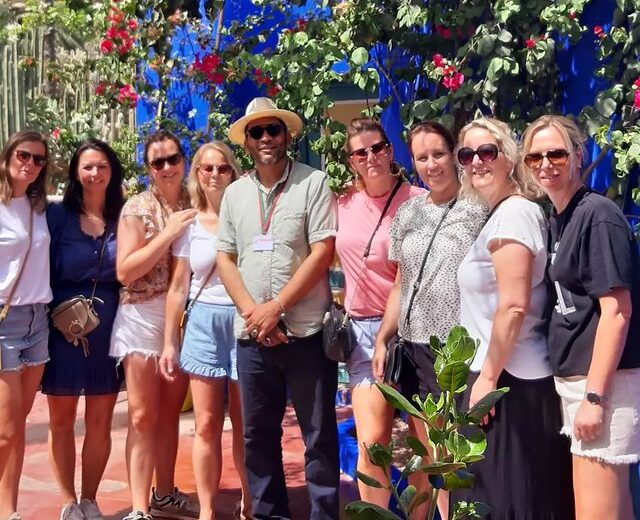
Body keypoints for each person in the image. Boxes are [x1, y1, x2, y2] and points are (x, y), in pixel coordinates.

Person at [217, 97, 340, 520]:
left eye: (273, 130)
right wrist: (256, 313)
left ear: (287, 135)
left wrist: (277, 307)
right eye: (257, 132)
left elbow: (323, 250)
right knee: (257, 437)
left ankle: (323, 513)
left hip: (304, 331)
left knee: (319, 435)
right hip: (253, 335)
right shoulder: (233, 194)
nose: (266, 138)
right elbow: (225, 258)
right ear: (247, 143)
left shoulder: (313, 183)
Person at [453, 117, 574, 519]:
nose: (476, 162)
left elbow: (514, 305)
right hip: (500, 375)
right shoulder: (500, 214)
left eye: (487, 152)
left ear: (508, 158)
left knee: (510, 502)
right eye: (466, 154)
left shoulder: (514, 214)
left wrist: (486, 379)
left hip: (508, 382)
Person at [522, 115, 640, 520]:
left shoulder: (598, 216)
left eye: (556, 153)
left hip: (602, 386)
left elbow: (617, 313)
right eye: (534, 156)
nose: (545, 164)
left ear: (578, 154)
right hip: (579, 384)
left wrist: (595, 398)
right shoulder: (561, 216)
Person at [372, 121, 486, 518]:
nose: (431, 164)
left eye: (438, 153)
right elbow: (401, 283)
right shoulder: (409, 212)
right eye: (422, 157)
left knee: (455, 454)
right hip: (414, 345)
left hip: (454, 350)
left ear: (455, 153)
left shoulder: (480, 208)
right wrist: (384, 337)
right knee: (429, 453)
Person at [159, 141, 251, 520]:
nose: (214, 175)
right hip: (202, 323)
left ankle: (251, 502)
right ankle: (208, 510)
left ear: (233, 172)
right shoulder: (189, 223)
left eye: (222, 168)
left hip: (244, 321)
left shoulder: (247, 217)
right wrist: (168, 341)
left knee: (247, 424)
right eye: (207, 168)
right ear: (197, 173)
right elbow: (179, 287)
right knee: (207, 423)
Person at [109, 130, 198, 520]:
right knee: (143, 415)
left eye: (172, 159)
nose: (166, 168)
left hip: (182, 315)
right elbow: (126, 272)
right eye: (157, 162)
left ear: (184, 159)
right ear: (148, 169)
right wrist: (168, 233)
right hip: (142, 314)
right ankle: (140, 507)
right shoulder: (137, 208)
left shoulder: (197, 202)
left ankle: (164, 492)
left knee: (168, 413)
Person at [335, 117, 424, 508]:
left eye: (377, 147)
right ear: (351, 160)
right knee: (373, 444)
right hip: (363, 333)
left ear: (390, 150)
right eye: (360, 152)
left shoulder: (418, 200)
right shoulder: (340, 204)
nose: (370, 156)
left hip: (413, 331)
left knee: (426, 444)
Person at [43, 139, 125, 520]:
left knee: (99, 420)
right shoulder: (57, 216)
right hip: (62, 327)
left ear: (113, 171)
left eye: (102, 166)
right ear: (77, 171)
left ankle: (90, 499)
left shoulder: (124, 215)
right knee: (61, 419)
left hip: (108, 325)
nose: (95, 174)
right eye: (88, 166)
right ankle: (67, 503)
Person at [0, 130, 51, 520]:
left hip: (38, 320)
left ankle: (8, 509)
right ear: (7, 156)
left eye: (38, 159)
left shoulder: (38, 207)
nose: (30, 164)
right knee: (6, 430)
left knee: (15, 426)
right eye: (24, 155)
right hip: (5, 320)